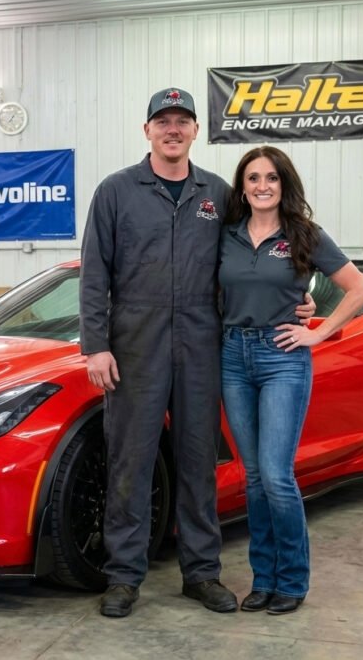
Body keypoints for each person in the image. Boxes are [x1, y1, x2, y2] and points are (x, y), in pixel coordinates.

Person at [79, 89, 313, 618]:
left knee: (197, 464)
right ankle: (123, 577)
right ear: (147, 131)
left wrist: (295, 298)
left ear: (194, 132)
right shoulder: (116, 191)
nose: (173, 129)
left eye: (182, 121)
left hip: (206, 346)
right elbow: (95, 275)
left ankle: (201, 572)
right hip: (135, 346)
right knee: (130, 461)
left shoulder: (219, 194)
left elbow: (256, 254)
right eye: (163, 121)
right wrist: (95, 347)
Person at [218, 145, 363, 615]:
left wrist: (318, 329)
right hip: (231, 356)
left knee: (279, 476)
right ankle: (262, 579)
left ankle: (293, 580)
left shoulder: (305, 234)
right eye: (252, 178)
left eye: (271, 177)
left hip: (282, 358)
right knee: (255, 478)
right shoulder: (226, 236)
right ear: (242, 187)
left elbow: (359, 289)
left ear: (284, 184)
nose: (262, 186)